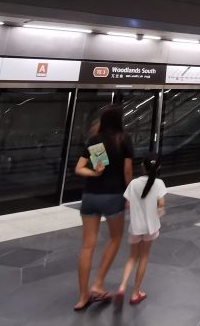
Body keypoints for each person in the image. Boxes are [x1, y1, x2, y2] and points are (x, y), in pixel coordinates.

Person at [73, 105, 134, 311]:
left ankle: (83, 297)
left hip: (90, 196)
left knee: (87, 246)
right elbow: (127, 172)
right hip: (113, 196)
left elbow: (81, 168)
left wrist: (96, 174)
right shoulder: (123, 139)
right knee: (115, 239)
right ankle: (98, 283)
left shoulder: (95, 141)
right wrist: (129, 194)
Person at [114, 158, 167, 308]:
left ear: (142, 167)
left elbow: (127, 204)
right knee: (144, 257)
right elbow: (162, 205)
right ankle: (136, 292)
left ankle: (122, 286)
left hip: (136, 227)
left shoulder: (134, 183)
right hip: (150, 227)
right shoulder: (159, 184)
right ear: (158, 168)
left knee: (132, 257)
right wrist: (158, 212)